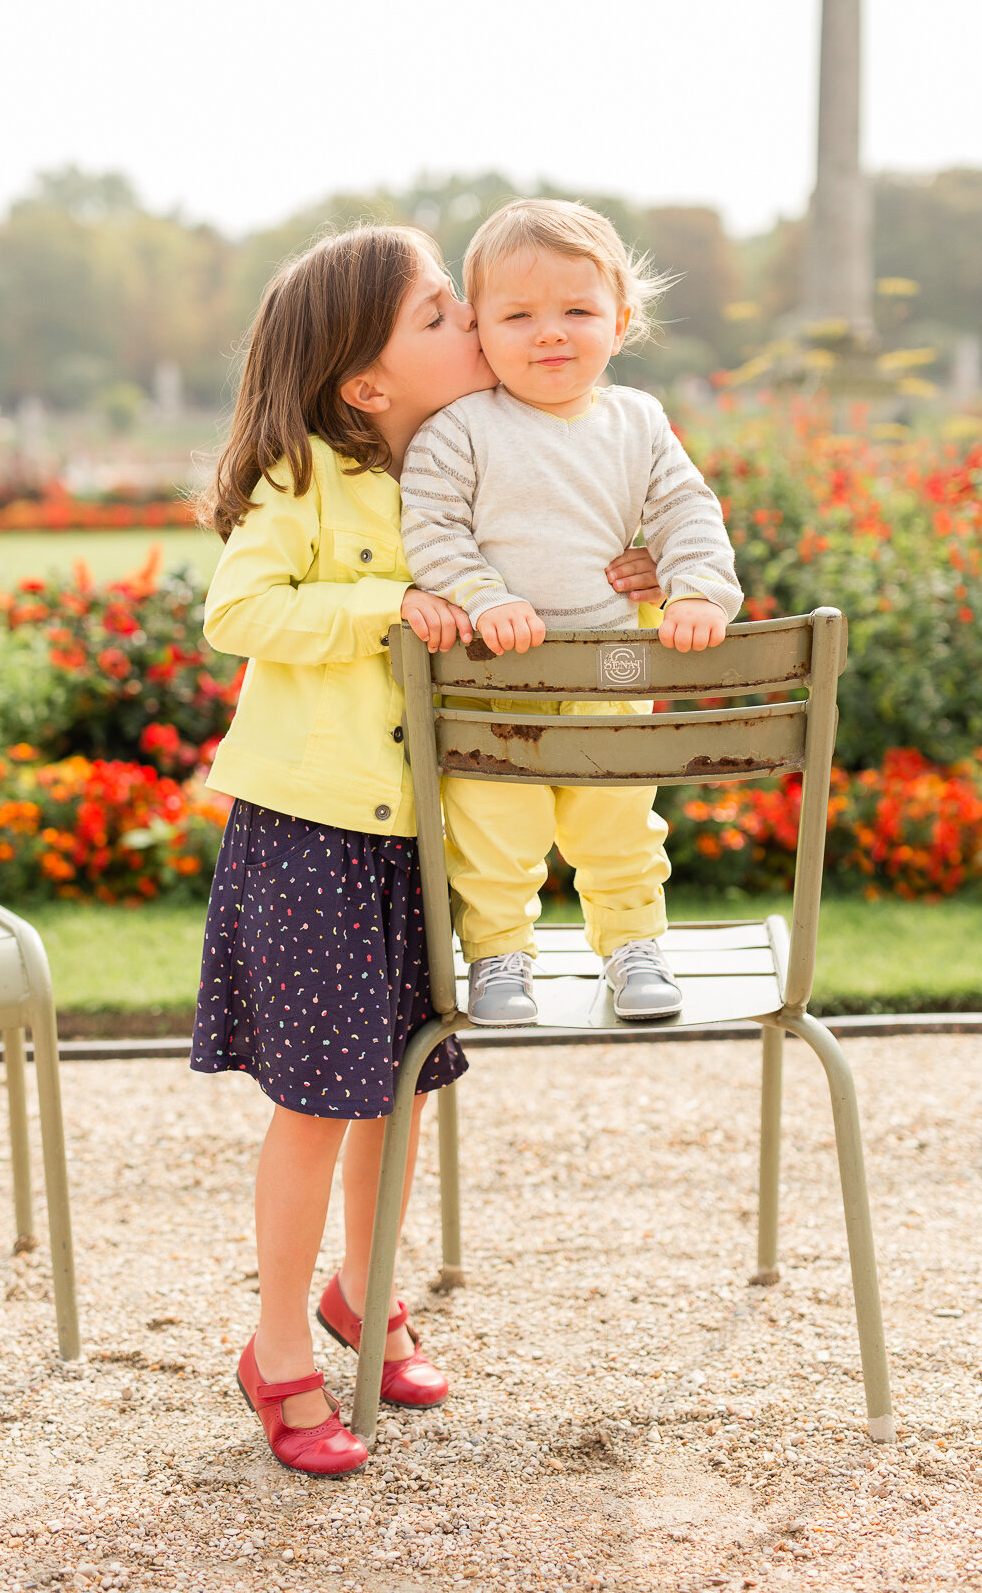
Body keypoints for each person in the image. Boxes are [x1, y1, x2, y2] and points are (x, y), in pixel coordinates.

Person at [191, 225, 659, 1476]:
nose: (480, 330)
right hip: (308, 831)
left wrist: (628, 575)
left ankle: (370, 1291)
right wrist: (383, 605)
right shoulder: (305, 481)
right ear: (367, 382)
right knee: (315, 1106)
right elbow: (234, 610)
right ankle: (279, 1345)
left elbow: (560, 598)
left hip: (417, 835)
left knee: (395, 1098)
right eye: (446, 315)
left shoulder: (468, 475)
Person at [400, 198, 742, 1029]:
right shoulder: (461, 429)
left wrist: (695, 586)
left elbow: (687, 512)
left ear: (621, 321)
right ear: (478, 327)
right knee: (492, 827)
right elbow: (432, 528)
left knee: (620, 819)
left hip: (609, 660)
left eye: (577, 311)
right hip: (494, 671)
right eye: (519, 315)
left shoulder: (638, 422)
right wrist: (486, 597)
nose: (549, 332)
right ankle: (499, 957)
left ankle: (632, 946)